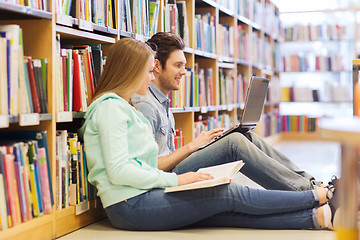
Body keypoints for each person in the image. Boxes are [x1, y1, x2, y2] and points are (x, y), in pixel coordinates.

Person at [79, 37, 337, 231]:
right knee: (227, 194)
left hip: (140, 195)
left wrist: (186, 167)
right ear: (130, 71)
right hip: (129, 205)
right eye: (147, 71)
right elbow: (120, 171)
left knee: (219, 209)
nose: (150, 77)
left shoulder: (124, 107)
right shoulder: (111, 108)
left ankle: (321, 217)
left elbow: (138, 164)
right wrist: (179, 181)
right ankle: (318, 195)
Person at [131, 32, 332, 191]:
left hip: (175, 169)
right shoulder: (146, 105)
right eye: (178, 65)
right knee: (234, 143)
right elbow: (151, 168)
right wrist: (192, 147)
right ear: (157, 66)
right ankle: (308, 193)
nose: (184, 72)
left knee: (245, 137)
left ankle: (313, 184)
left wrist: (203, 147)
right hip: (169, 178)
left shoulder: (162, 101)